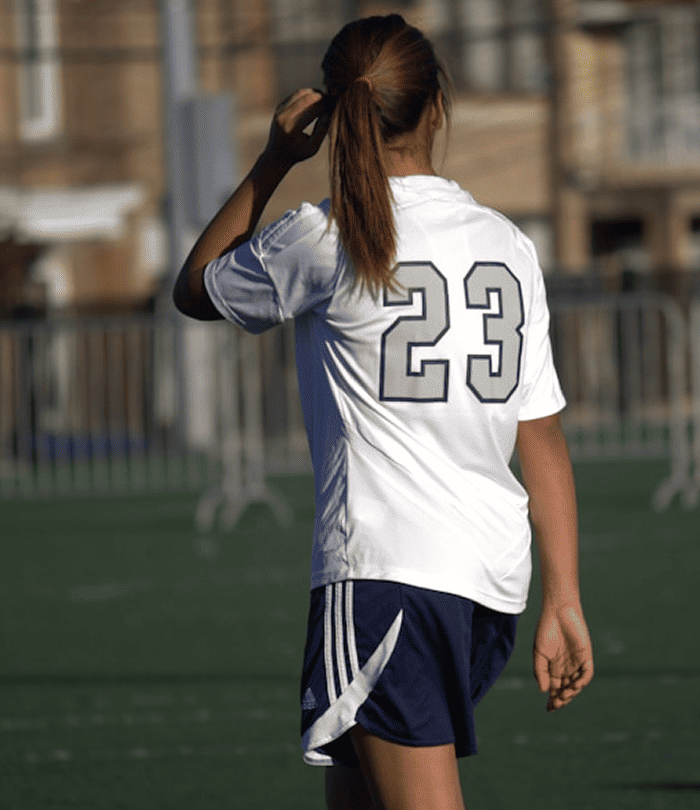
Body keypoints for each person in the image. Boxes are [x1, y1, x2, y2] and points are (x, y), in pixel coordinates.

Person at [172, 15, 592, 810]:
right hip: (487, 584)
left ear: (333, 114)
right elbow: (540, 436)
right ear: (438, 105)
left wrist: (272, 160)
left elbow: (196, 289)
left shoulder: (325, 235)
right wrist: (563, 597)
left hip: (386, 577)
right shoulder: (507, 243)